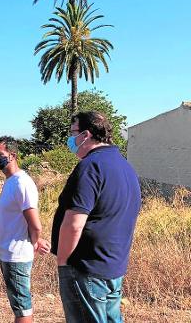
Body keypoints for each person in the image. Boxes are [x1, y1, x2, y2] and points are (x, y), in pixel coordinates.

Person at [51, 111, 141, 323]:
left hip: (86, 267)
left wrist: (63, 262)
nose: (70, 139)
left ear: (85, 135)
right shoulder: (124, 165)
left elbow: (74, 223)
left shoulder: (90, 167)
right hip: (112, 265)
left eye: (73, 132)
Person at [0, 136, 50, 323]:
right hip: (9, 252)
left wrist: (34, 243)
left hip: (16, 254)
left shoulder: (21, 183)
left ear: (13, 155)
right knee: (19, 304)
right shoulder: (10, 181)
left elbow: (35, 224)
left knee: (22, 307)